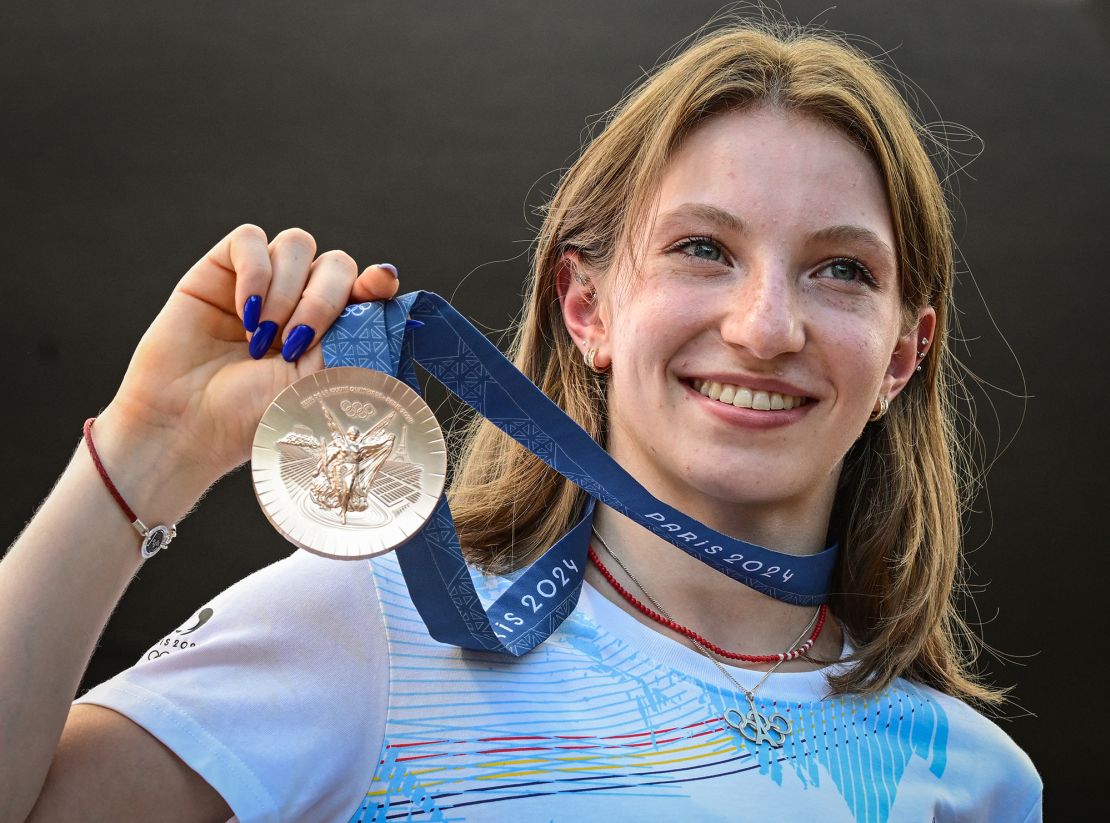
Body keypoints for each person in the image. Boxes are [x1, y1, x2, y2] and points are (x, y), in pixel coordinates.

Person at [0, 18, 1042, 823]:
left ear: (904, 352)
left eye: (841, 270)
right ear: (586, 307)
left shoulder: (974, 781)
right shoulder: (372, 632)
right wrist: (146, 452)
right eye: (702, 249)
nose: (765, 326)